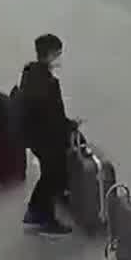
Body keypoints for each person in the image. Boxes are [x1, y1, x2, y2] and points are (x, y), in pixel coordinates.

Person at [17, 34, 75, 236]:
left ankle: (35, 210)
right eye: (58, 53)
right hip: (47, 140)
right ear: (50, 54)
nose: (59, 57)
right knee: (53, 176)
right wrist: (71, 127)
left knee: (48, 175)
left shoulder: (29, 72)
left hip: (32, 135)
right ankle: (43, 218)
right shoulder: (49, 84)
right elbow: (55, 118)